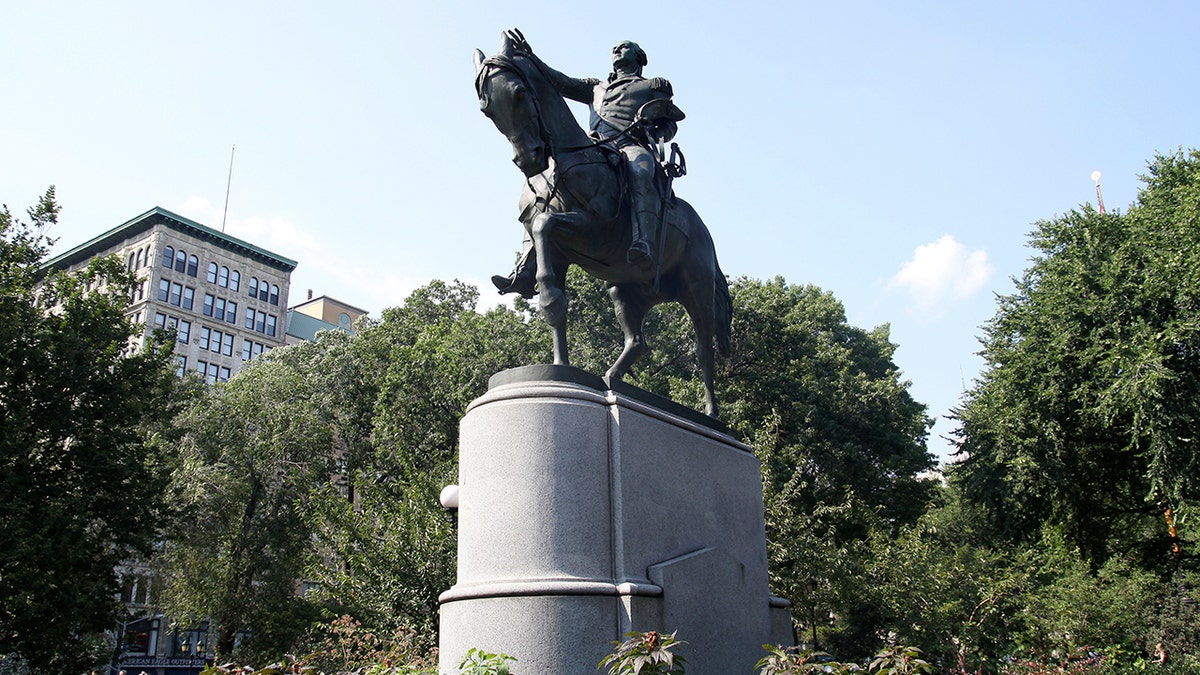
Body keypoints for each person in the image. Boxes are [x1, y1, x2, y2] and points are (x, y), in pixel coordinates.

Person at [491, 32, 684, 298]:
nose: (617, 49)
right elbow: (557, 81)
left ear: (639, 57)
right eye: (615, 47)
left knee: (640, 172)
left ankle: (643, 242)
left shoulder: (653, 85)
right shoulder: (596, 87)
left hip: (631, 144)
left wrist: (652, 127)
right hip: (596, 145)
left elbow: (669, 125)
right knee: (540, 186)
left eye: (625, 47)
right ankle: (526, 269)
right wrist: (531, 57)